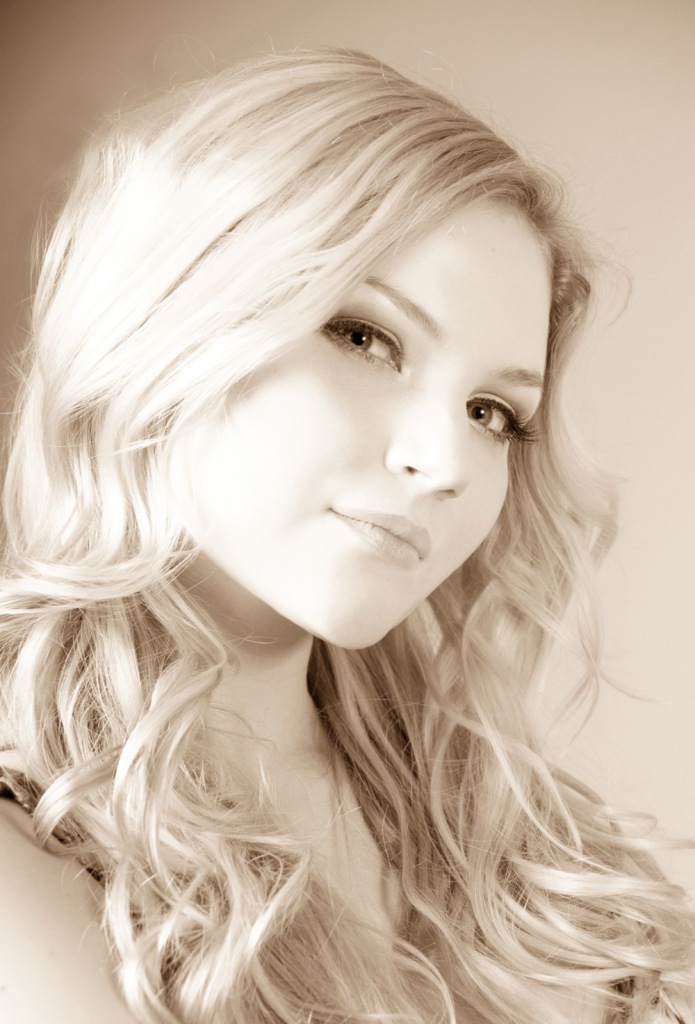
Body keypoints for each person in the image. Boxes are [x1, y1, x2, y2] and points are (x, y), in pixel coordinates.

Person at [0, 48, 692, 1024]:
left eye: (491, 412)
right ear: (164, 319)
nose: (445, 461)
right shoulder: (33, 835)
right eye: (364, 337)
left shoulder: (516, 839)